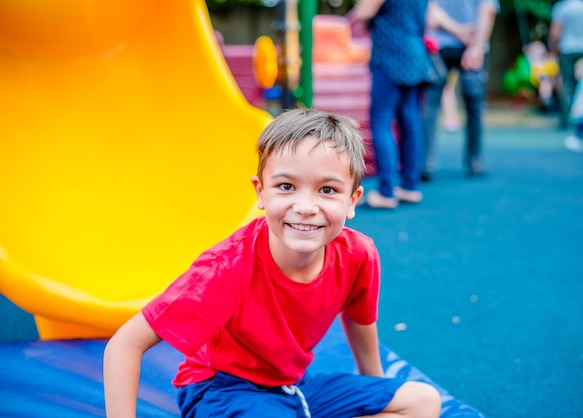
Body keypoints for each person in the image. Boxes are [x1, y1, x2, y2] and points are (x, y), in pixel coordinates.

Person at [103, 108, 442, 418]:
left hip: (291, 387)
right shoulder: (226, 269)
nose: (306, 206)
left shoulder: (358, 254)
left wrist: (374, 390)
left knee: (423, 402)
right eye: (286, 186)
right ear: (261, 193)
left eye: (327, 190)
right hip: (221, 389)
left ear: (352, 200)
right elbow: (125, 344)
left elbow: (360, 322)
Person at [352, 0, 431, 208]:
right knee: (410, 121)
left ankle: (386, 190)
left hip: (391, 54)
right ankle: (409, 186)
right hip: (415, 53)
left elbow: (364, 11)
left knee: (380, 121)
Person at [421, 0, 499, 180]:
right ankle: (475, 161)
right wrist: (476, 45)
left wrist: (459, 33)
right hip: (464, 44)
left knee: (429, 106)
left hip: (440, 45)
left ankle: (425, 163)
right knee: (474, 106)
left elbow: (431, 15)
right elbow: (488, 11)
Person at [549, 0, 583, 129]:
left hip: (567, 50)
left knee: (566, 84)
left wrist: (554, 48)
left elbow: (555, 33)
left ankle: (567, 117)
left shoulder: (561, 7)